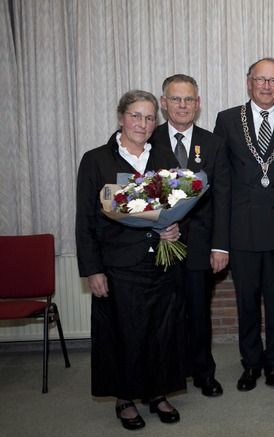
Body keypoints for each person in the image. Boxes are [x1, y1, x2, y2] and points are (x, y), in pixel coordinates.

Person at [76, 90, 184, 430]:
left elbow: (181, 205)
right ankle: (125, 397)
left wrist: (176, 229)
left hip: (162, 261)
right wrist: (92, 269)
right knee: (125, 333)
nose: (143, 123)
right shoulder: (97, 160)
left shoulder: (164, 157)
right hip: (118, 263)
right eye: (136, 116)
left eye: (150, 117)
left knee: (162, 331)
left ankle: (157, 392)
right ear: (121, 117)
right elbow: (86, 220)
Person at [213, 57, 274, 391]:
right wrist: (219, 239)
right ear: (248, 81)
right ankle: (251, 363)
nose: (267, 86)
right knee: (247, 300)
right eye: (261, 79)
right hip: (242, 229)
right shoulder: (226, 121)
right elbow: (220, 182)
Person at [150, 74, 231, 397]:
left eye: (188, 100)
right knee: (163, 313)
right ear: (163, 103)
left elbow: (222, 197)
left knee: (199, 312)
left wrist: (220, 245)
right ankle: (168, 373)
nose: (182, 106)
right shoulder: (147, 138)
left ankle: (203, 372)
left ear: (197, 104)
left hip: (199, 244)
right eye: (175, 99)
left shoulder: (213, 144)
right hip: (159, 244)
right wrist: (157, 227)